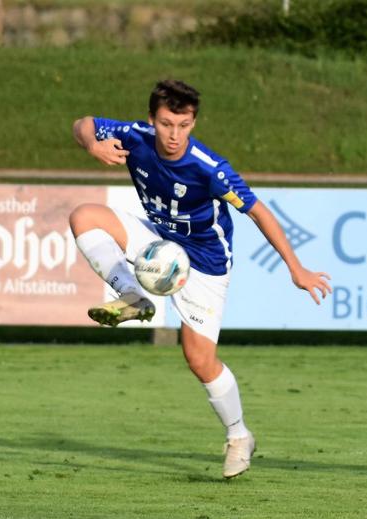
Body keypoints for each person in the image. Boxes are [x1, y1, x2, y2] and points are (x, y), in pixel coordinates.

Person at [69, 80, 331, 478]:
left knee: (198, 359)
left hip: (204, 265)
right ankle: (132, 295)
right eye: (166, 123)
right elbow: (82, 122)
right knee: (84, 216)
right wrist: (92, 144)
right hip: (159, 242)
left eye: (184, 125)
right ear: (152, 119)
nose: (174, 135)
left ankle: (239, 436)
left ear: (193, 123)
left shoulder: (210, 169)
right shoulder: (135, 137)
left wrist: (296, 268)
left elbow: (259, 212)